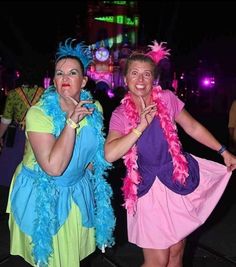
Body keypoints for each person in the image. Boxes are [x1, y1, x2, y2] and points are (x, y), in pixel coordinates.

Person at [104, 40, 236, 267]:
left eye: (147, 74)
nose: (141, 79)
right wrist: (139, 126)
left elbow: (192, 127)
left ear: (154, 79)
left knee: (176, 252)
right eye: (134, 73)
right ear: (126, 80)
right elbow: (110, 154)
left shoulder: (166, 98)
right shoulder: (120, 114)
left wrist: (223, 151)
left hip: (177, 181)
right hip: (148, 189)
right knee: (157, 260)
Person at [6, 38, 115, 267]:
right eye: (59, 73)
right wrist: (71, 123)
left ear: (84, 80)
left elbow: (94, 156)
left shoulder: (95, 108)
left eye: (72, 73)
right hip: (43, 196)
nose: (65, 78)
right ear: (53, 79)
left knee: (72, 258)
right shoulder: (38, 114)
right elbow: (53, 168)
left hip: (77, 192)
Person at [0, 77, 44, 186]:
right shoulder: (44, 94)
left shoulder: (13, 94)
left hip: (17, 136)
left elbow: (6, 120)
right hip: (38, 135)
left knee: (11, 168)